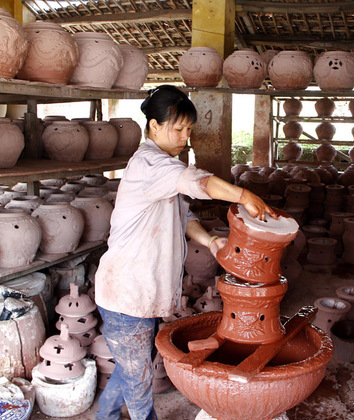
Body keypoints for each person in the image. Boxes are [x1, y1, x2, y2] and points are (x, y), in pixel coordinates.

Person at [94, 84, 276, 420]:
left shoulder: (163, 167)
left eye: (189, 129)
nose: (184, 136)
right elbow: (199, 182)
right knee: (139, 382)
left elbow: (183, 216)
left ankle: (104, 416)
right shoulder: (151, 163)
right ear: (154, 126)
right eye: (178, 128)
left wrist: (211, 242)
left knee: (133, 368)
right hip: (126, 293)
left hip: (137, 291)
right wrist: (242, 195)